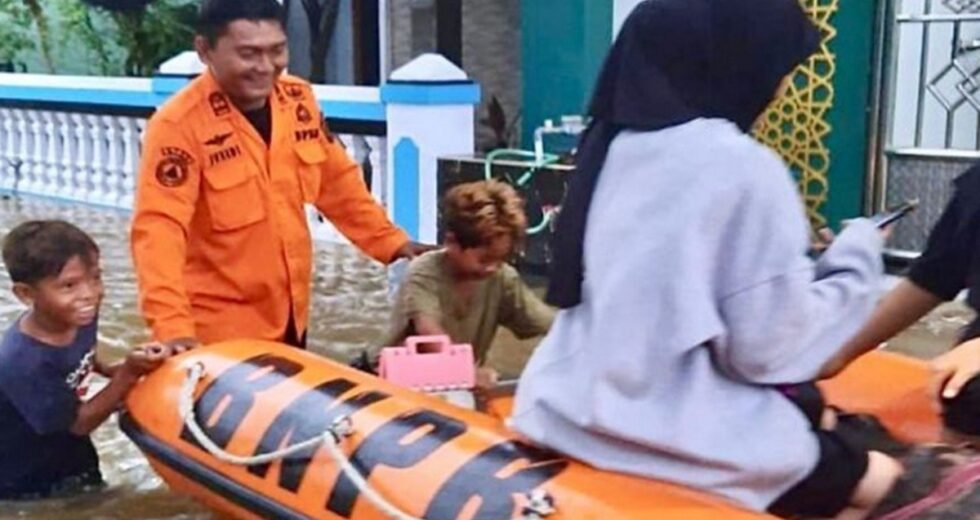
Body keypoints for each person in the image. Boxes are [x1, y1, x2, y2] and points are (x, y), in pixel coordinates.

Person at [511, 1, 903, 519]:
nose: (781, 90)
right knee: (889, 479)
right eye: (781, 73)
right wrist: (858, 255)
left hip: (563, 409)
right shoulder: (740, 165)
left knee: (819, 419)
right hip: (664, 435)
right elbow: (768, 350)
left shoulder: (611, 148)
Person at [131, 0, 427, 351]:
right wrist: (171, 327)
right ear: (205, 49)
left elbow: (336, 182)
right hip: (215, 334)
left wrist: (393, 243)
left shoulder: (298, 101)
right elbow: (159, 230)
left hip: (290, 317)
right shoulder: (178, 125)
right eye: (249, 54)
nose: (266, 67)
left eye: (277, 50)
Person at [0, 221, 167, 499]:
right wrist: (128, 373)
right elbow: (79, 424)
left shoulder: (77, 313)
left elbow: (81, 350)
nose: (89, 293)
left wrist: (106, 369)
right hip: (23, 477)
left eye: (95, 277)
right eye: (68, 285)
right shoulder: (23, 362)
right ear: (26, 294)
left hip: (68, 449)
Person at [384, 180, 555, 389]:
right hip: (407, 381)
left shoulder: (502, 277)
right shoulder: (424, 271)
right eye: (484, 260)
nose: (492, 268)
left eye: (500, 259)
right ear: (452, 242)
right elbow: (430, 333)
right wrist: (468, 373)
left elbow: (546, 322)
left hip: (460, 386)